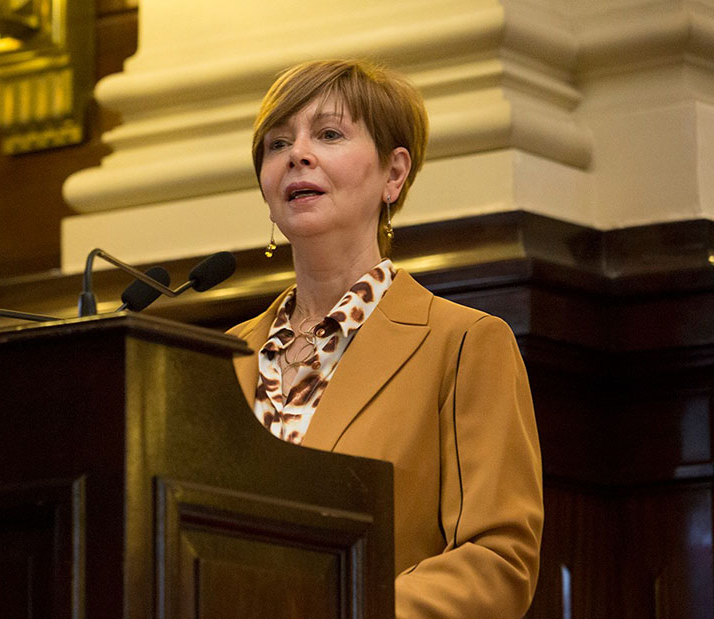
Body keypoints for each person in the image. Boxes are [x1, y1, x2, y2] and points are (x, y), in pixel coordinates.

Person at [228, 59, 543, 618]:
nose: (297, 154)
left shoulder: (465, 343)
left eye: (328, 134)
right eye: (277, 143)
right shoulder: (219, 359)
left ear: (393, 174)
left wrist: (339, 609)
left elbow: (498, 561)